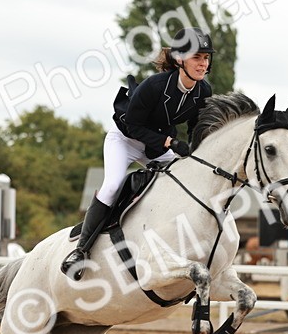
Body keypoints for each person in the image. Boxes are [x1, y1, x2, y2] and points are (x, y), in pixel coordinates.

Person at [60, 27, 215, 280]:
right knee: (111, 186)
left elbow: (195, 126)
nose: (203, 63)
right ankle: (81, 250)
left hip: (157, 147)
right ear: (179, 59)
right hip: (125, 139)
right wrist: (169, 141)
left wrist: (196, 151)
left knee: (182, 181)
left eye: (206, 58)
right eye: (197, 57)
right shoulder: (153, 86)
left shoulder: (203, 91)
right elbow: (133, 125)